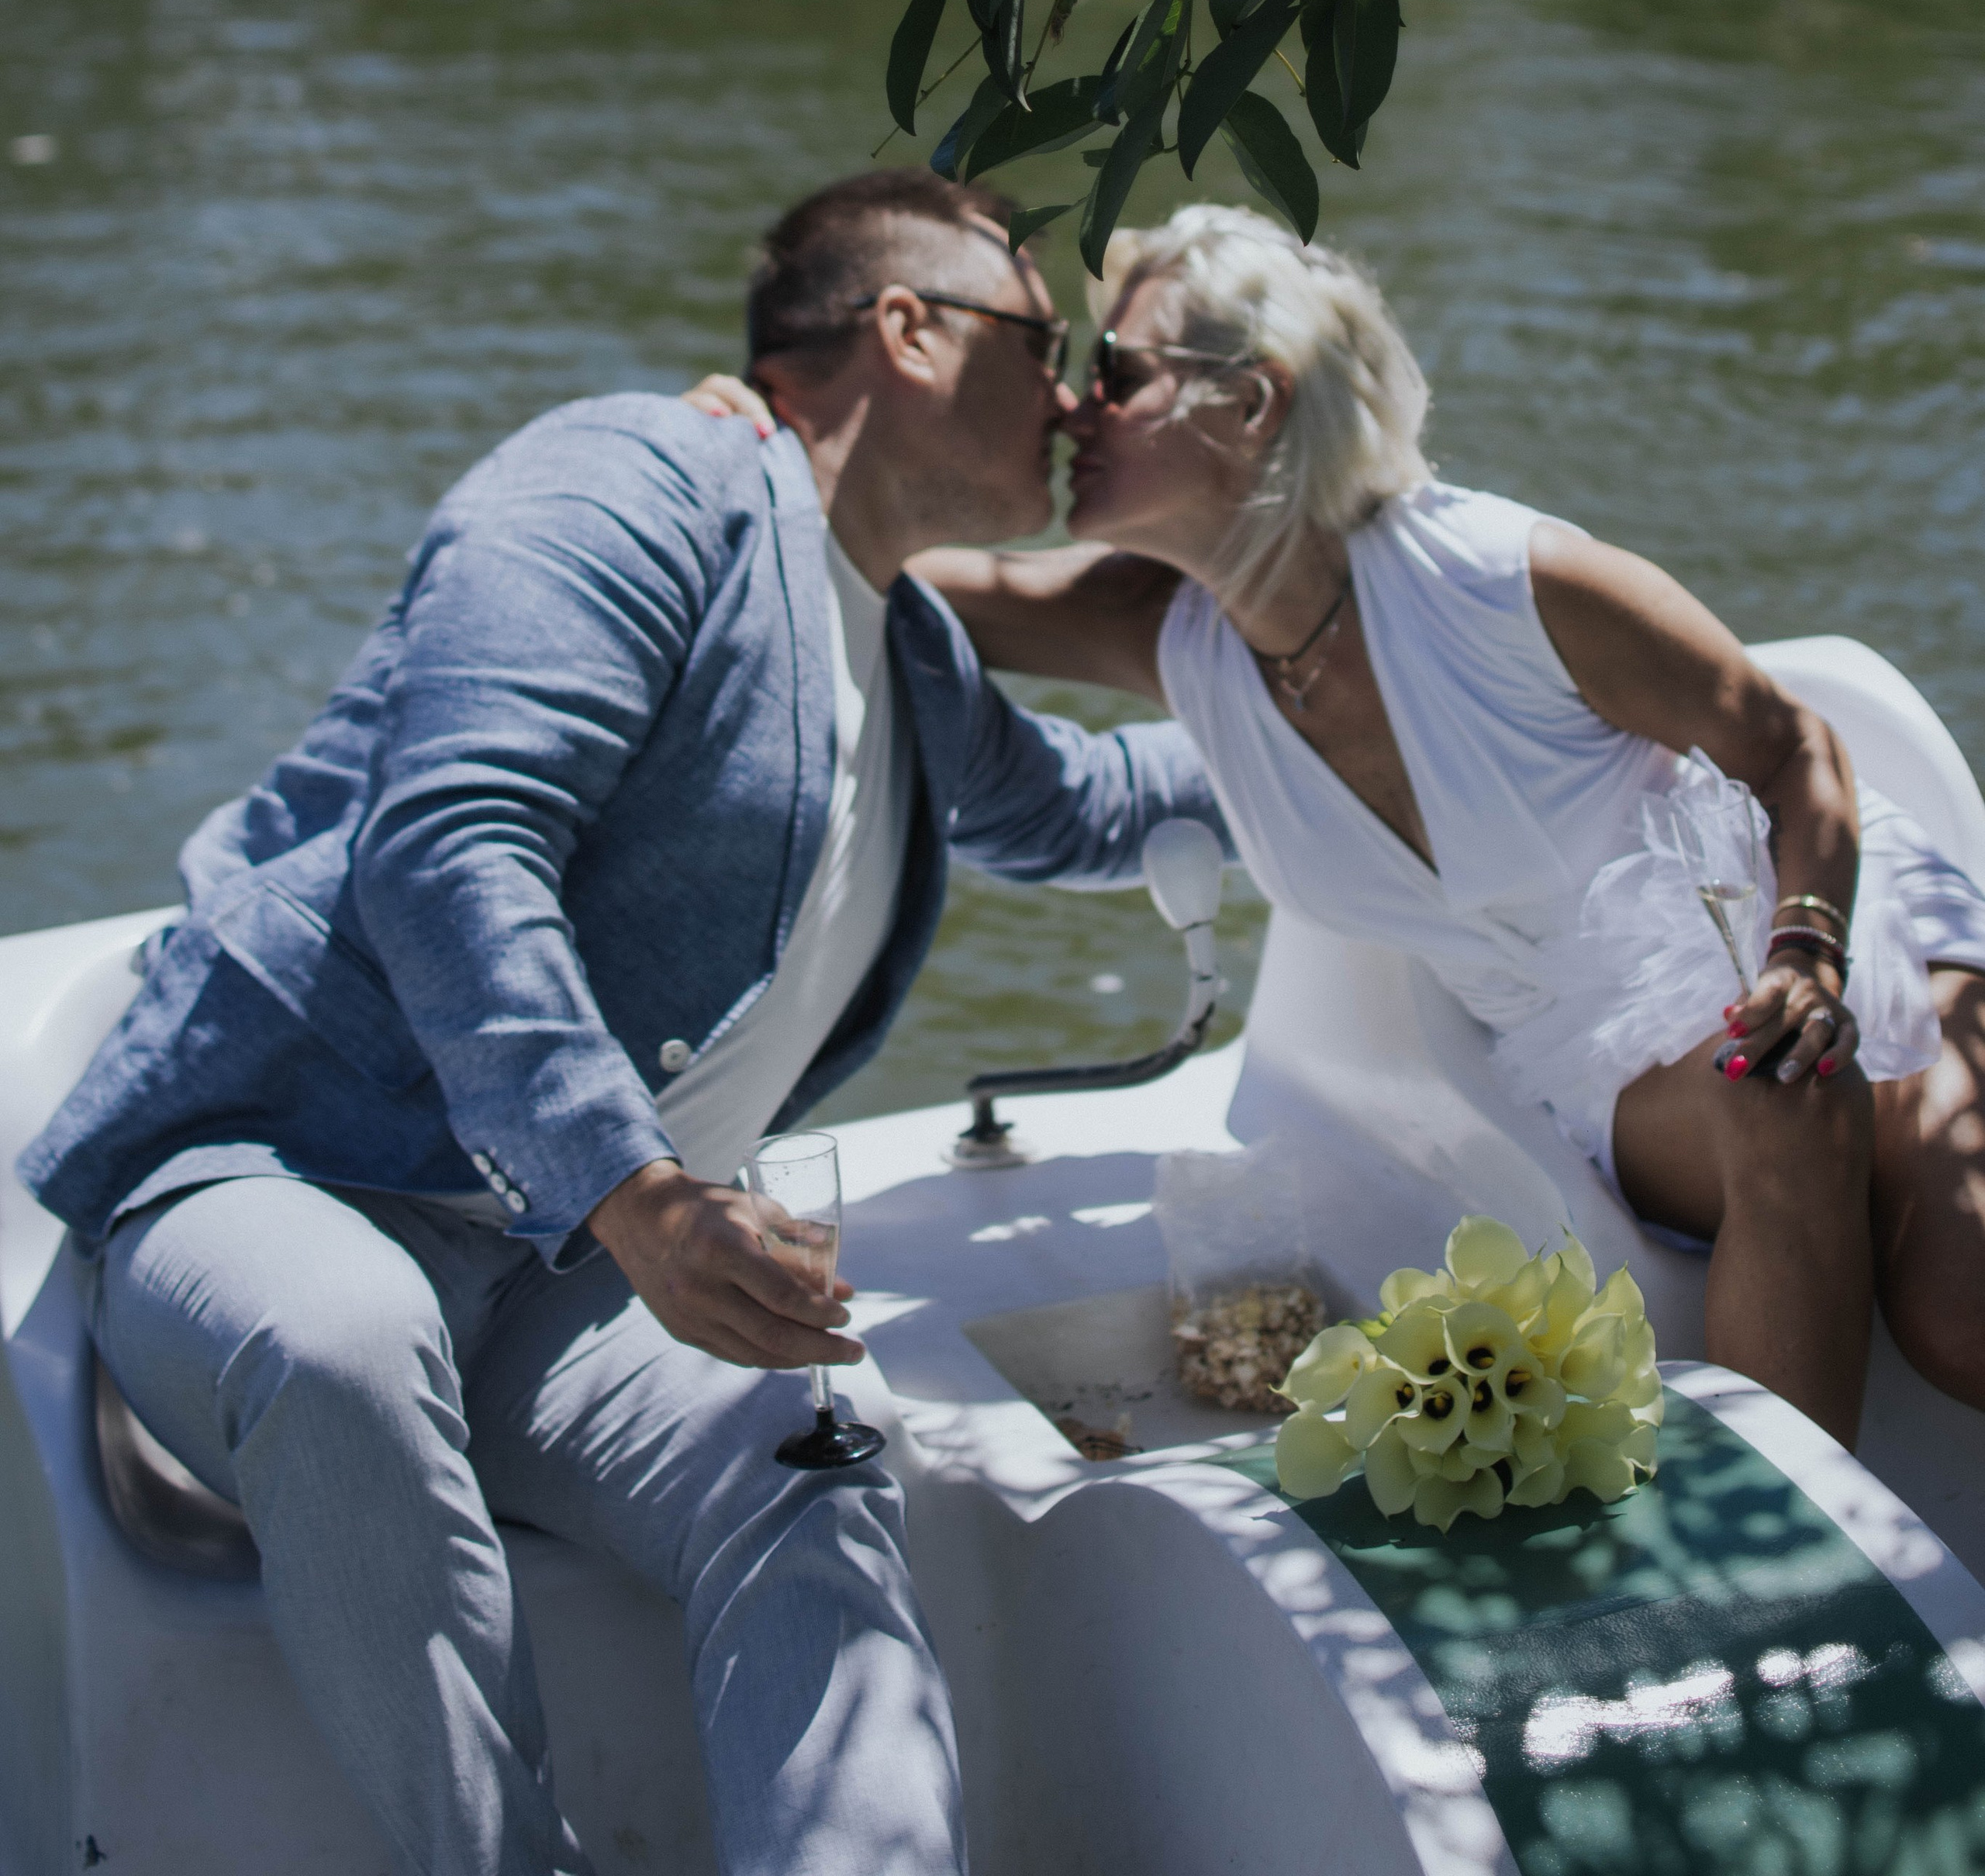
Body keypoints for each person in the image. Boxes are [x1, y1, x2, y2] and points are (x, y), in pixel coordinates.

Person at [20, 169, 1226, 1876]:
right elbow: (451, 839)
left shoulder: (905, 645)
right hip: (288, 1167)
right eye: (1046, 342)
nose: (1071, 395)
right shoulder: (628, 481)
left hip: (563, 1268)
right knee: (345, 1339)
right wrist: (642, 1193)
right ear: (909, 326)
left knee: (805, 1438)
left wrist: (1345, 694)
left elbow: (1088, 810)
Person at [898, 202, 1985, 1453]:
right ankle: (1799, 1594)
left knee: (1955, 1314)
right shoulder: (1167, 636)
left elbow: (1795, 747)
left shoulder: (1503, 581)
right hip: (1602, 1055)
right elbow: (881, 549)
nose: (1079, 409)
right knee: (1777, 1100)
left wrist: (1806, 952)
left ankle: (1795, 1558)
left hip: (1813, 925)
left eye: (1117, 375)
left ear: (1253, 404)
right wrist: (760, 445)